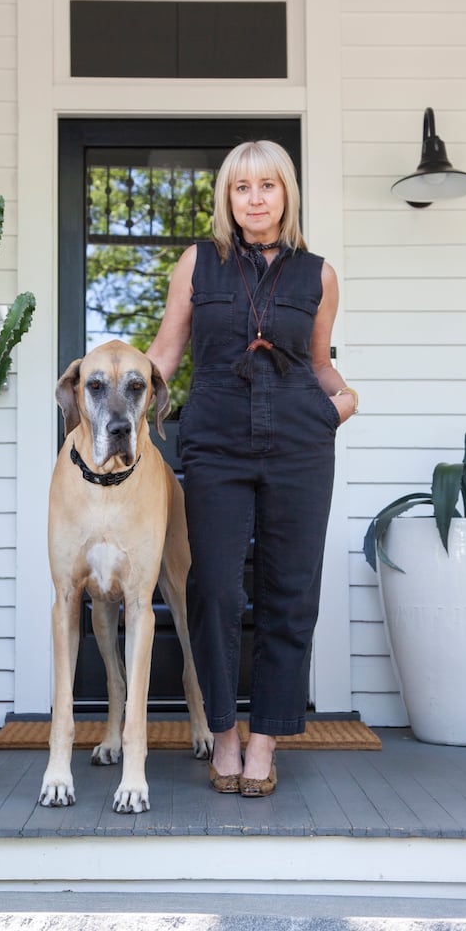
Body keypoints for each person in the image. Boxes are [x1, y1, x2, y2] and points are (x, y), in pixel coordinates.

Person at [146, 139, 357, 797]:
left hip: (299, 438)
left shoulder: (317, 274)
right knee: (213, 590)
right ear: (228, 199)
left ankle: (265, 740)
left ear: (286, 193)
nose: (256, 197)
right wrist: (113, 399)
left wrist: (341, 403)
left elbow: (318, 363)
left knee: (289, 592)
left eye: (268, 185)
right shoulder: (198, 265)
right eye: (243, 187)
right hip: (215, 437)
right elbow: (164, 356)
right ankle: (225, 733)